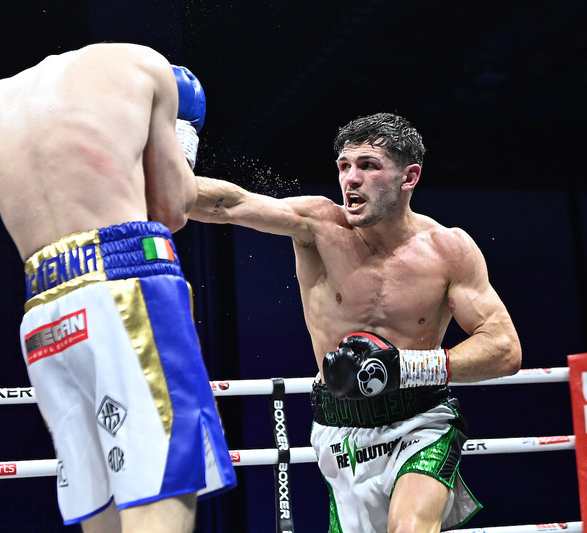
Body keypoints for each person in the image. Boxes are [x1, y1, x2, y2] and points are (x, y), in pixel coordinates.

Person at [189, 112, 522, 532]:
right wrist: (167, 167)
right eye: (345, 166)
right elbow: (230, 205)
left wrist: (406, 367)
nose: (351, 178)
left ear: (409, 177)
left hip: (421, 420)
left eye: (368, 165)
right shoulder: (318, 226)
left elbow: (504, 349)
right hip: (340, 428)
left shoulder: (448, 249)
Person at [0, 42, 236, 533]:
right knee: (158, 499)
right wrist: (183, 140)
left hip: (44, 311)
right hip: (127, 288)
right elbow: (171, 210)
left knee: (105, 521)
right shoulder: (142, 65)